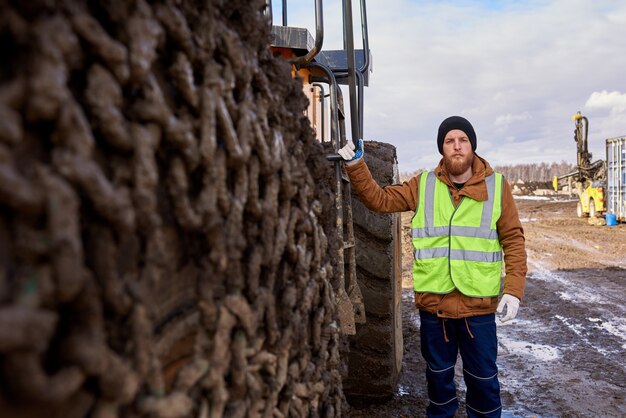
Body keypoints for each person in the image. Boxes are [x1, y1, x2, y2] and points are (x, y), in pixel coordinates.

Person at [338, 116, 527, 418]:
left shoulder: (497, 187)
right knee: (438, 384)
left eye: (462, 140)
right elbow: (379, 200)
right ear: (442, 148)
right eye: (449, 141)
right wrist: (358, 166)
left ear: (472, 146)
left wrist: (514, 291)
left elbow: (514, 240)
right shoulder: (423, 185)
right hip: (434, 309)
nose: (456, 146)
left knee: (484, 385)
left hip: (476, 310)